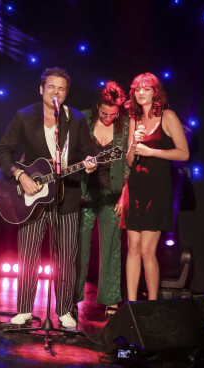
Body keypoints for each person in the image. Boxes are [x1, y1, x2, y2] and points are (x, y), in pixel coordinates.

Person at [0, 67, 97, 328]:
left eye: (62, 88)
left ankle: (64, 310)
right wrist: (19, 175)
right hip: (32, 198)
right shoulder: (25, 116)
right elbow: (4, 151)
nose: (56, 92)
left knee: (66, 256)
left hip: (68, 195)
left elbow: (88, 152)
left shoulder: (75, 119)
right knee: (28, 255)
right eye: (51, 87)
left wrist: (90, 163)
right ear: (41, 89)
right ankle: (24, 310)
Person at [119, 72, 189, 301]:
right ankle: (131, 304)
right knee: (133, 248)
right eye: (137, 89)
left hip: (157, 190)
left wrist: (151, 152)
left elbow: (183, 153)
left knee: (148, 251)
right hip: (135, 187)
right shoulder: (134, 118)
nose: (141, 93)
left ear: (155, 92)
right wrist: (135, 143)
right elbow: (130, 161)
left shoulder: (167, 116)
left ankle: (152, 304)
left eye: (146, 89)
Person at [74, 80, 129, 316]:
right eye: (104, 113)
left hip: (113, 192)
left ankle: (111, 299)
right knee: (78, 246)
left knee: (111, 246)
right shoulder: (83, 119)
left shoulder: (125, 125)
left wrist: (125, 195)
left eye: (113, 114)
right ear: (97, 106)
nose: (108, 118)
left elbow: (130, 164)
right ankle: (71, 299)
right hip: (85, 191)